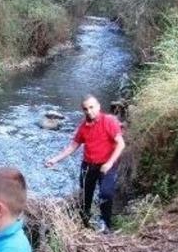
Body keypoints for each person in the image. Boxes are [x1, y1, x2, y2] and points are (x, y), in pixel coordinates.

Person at [44, 95, 125, 233]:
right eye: (85, 109)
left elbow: (121, 144)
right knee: (85, 196)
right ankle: (85, 223)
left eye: (91, 107)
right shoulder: (83, 126)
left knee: (106, 194)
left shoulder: (109, 121)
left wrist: (110, 163)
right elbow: (73, 146)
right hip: (88, 166)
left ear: (98, 106)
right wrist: (55, 159)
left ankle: (106, 225)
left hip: (107, 165)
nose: (89, 111)